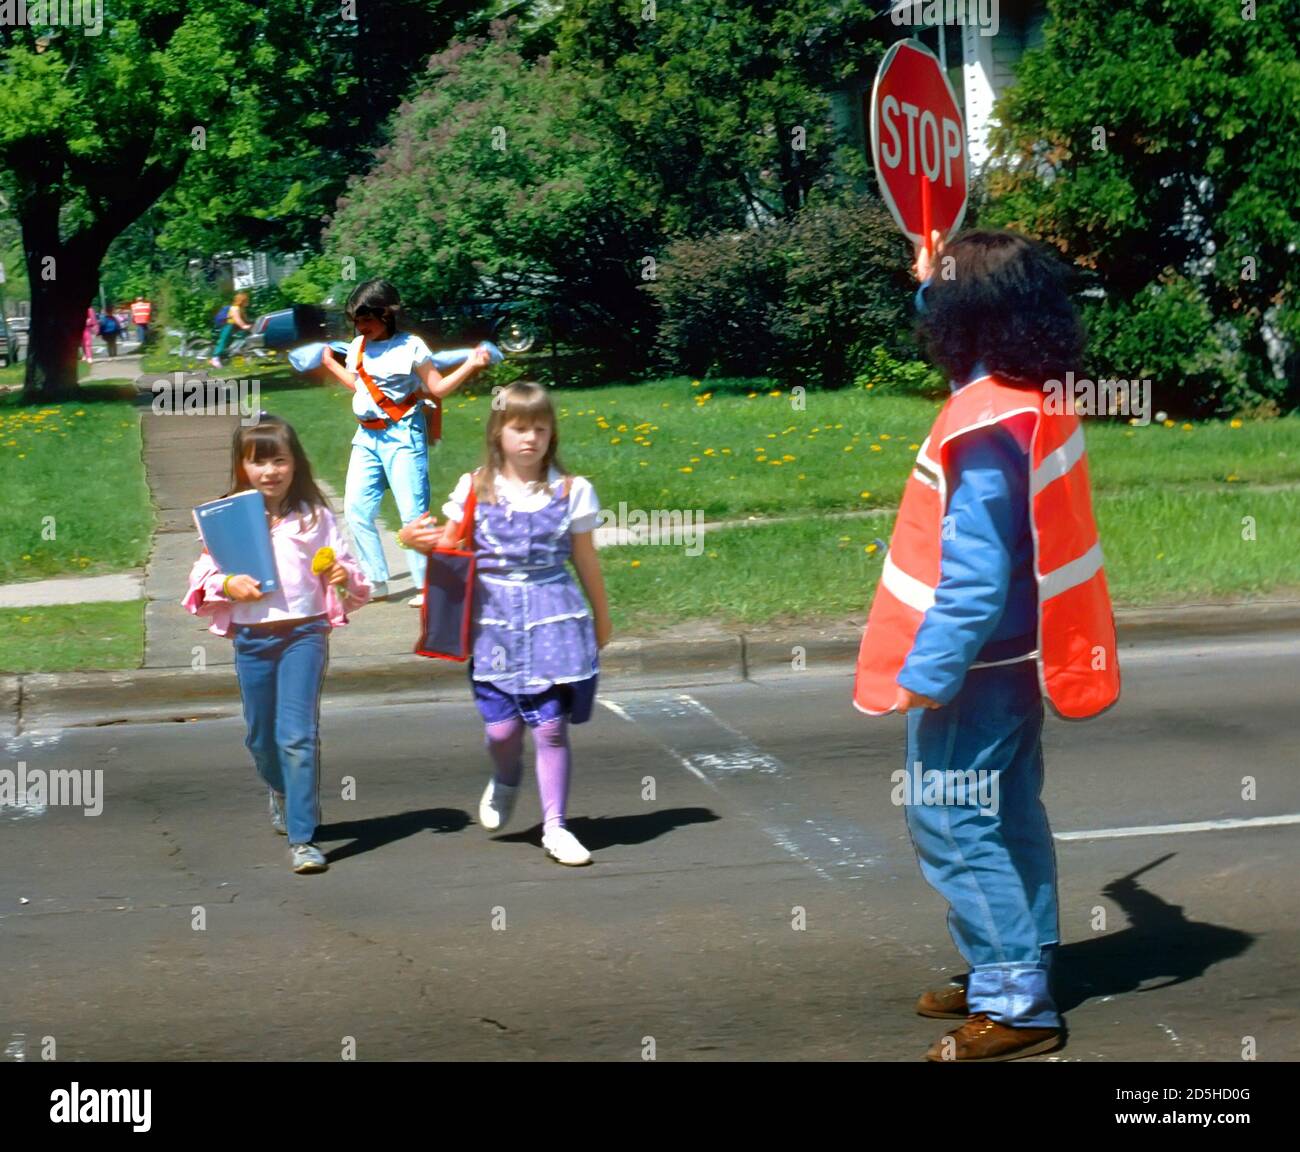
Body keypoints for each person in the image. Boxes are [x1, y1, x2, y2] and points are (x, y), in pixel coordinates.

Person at [853, 229, 1120, 1061]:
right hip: (1015, 660)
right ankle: (1017, 963)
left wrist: (925, 676)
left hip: (972, 672)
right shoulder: (1026, 391)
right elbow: (957, 332)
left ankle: (1015, 1002)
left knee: (954, 824)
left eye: (947, 292)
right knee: (1008, 818)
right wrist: (931, 282)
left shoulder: (980, 421)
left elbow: (970, 581)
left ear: (971, 316)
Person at [399, 382, 612, 866]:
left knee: (551, 726)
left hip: (554, 617)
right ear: (499, 432)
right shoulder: (474, 486)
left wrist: (602, 616)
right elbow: (451, 547)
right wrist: (414, 540)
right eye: (519, 427)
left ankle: (556, 827)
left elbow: (585, 557)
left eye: (540, 427)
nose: (530, 438)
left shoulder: (571, 490)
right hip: (492, 621)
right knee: (501, 731)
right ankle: (507, 775)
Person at [182, 414, 372, 874]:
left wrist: (342, 576)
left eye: (280, 461)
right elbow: (203, 574)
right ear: (242, 466)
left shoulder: (316, 517)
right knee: (262, 738)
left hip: (304, 633)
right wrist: (228, 584)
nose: (270, 471)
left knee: (297, 736)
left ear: (295, 463)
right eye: (258, 462)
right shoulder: (228, 517)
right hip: (253, 638)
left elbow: (349, 571)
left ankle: (304, 838)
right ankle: (279, 788)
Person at [318, 279, 490, 606]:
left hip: (402, 435)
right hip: (366, 436)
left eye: (366, 319)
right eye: (356, 320)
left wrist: (471, 363)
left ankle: (427, 586)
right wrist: (330, 366)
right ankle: (375, 580)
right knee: (356, 509)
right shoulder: (358, 346)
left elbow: (436, 388)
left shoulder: (411, 346)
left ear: (387, 314)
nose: (360, 326)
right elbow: (360, 386)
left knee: (412, 512)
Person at [210, 291, 253, 369]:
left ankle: (240, 352)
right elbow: (237, 319)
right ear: (242, 300)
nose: (248, 301)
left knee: (242, 337)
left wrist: (251, 325)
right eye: (246, 300)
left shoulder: (242, 309)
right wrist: (244, 326)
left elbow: (245, 320)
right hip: (227, 326)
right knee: (223, 340)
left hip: (234, 327)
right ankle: (215, 358)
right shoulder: (235, 308)